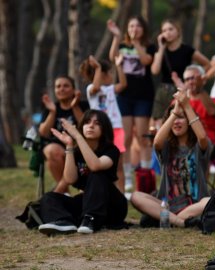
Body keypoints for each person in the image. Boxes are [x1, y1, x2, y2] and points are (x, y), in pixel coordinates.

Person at [130, 90, 212, 227]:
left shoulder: (198, 146)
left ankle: (168, 219)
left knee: (210, 201)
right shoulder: (166, 147)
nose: (176, 122)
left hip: (195, 205)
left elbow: (202, 137)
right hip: (167, 205)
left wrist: (187, 106)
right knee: (135, 196)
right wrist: (174, 112)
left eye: (181, 118)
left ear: (190, 121)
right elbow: (156, 142)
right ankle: (180, 222)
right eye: (174, 118)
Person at [38, 110, 128, 235]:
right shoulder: (76, 152)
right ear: (82, 127)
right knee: (49, 197)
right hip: (88, 202)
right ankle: (63, 222)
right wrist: (69, 146)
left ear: (104, 129)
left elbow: (95, 165)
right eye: (87, 122)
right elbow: (70, 179)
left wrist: (78, 137)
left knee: (97, 174)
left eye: (97, 123)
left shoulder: (111, 150)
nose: (91, 126)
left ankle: (90, 219)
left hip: (112, 206)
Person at [107, 16, 155, 190]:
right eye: (131, 25)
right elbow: (113, 56)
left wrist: (136, 43)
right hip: (124, 97)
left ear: (143, 29)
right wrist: (116, 36)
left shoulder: (149, 46)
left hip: (143, 96)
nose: (135, 29)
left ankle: (146, 175)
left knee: (143, 137)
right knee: (125, 138)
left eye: (138, 26)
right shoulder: (122, 45)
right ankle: (127, 177)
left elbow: (146, 61)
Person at [79, 55, 127, 193]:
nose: (112, 76)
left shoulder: (110, 89)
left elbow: (123, 85)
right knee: (95, 162)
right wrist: (98, 67)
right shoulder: (91, 90)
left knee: (118, 165)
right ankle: (88, 191)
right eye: (110, 73)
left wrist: (119, 65)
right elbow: (95, 86)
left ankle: (121, 194)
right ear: (101, 74)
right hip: (100, 131)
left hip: (116, 129)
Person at [150, 19, 210, 127]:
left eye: (170, 29)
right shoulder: (160, 51)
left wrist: (196, 79)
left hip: (181, 89)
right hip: (163, 90)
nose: (167, 32)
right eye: (164, 30)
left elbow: (207, 64)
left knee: (180, 121)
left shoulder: (187, 50)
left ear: (178, 31)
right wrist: (161, 48)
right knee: (159, 123)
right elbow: (155, 71)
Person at [38, 76, 90, 194]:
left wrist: (74, 106)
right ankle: (65, 193)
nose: (61, 89)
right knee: (51, 150)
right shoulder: (50, 107)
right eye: (58, 86)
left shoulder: (83, 105)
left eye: (66, 86)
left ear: (73, 89)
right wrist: (52, 112)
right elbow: (43, 133)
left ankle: (59, 190)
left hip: (81, 147)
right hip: (59, 148)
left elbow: (87, 128)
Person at [171, 64, 215, 145]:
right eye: (187, 79)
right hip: (184, 143)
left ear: (203, 80)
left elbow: (213, 111)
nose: (190, 82)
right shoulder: (178, 101)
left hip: (207, 143)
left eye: (193, 78)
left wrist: (199, 90)